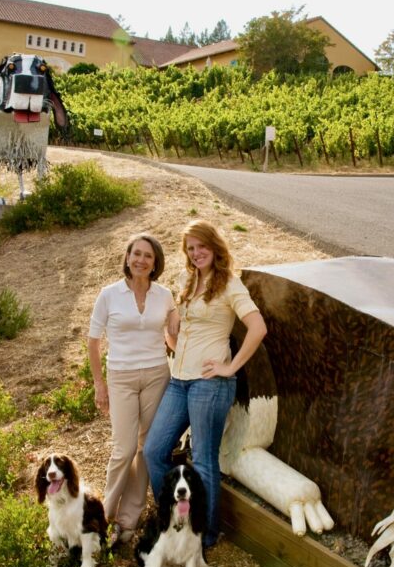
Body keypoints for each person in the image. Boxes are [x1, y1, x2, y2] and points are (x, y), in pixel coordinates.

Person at [143, 220, 267, 548]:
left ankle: (205, 535)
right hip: (179, 380)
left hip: (210, 385)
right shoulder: (187, 282)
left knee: (202, 458)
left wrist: (230, 367)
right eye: (191, 248)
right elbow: (178, 335)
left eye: (202, 246)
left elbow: (257, 328)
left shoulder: (230, 284)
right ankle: (172, 519)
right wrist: (170, 334)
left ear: (215, 247)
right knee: (154, 450)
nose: (196, 253)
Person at [88, 233, 176, 546]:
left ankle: (128, 520)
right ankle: (102, 517)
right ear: (127, 258)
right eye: (135, 254)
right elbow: (93, 341)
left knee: (144, 448)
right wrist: (100, 383)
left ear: (155, 264)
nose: (140, 260)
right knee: (122, 449)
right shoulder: (109, 294)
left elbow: (173, 337)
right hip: (121, 376)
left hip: (156, 374)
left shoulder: (165, 295)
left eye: (147, 256)